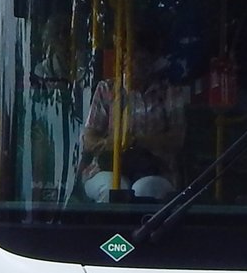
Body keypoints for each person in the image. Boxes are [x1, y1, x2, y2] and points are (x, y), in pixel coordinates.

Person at [80, 33, 189, 202]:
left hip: (157, 169)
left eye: (139, 58)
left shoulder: (169, 92)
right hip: (108, 167)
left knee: (145, 189)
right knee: (113, 189)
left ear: (151, 61)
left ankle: (144, 229)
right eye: (126, 57)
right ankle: (109, 228)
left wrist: (137, 141)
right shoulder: (106, 89)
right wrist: (110, 144)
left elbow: (177, 139)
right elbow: (89, 139)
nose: (131, 64)